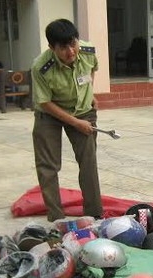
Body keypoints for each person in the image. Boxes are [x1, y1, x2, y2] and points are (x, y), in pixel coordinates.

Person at [30, 18, 102, 222]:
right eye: (63, 47)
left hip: (82, 110)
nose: (71, 51)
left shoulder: (88, 51)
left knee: (88, 162)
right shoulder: (40, 67)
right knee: (48, 166)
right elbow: (45, 103)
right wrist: (75, 122)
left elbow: (92, 70)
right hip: (49, 113)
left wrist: (90, 94)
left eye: (73, 44)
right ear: (52, 47)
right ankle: (56, 217)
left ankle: (94, 213)